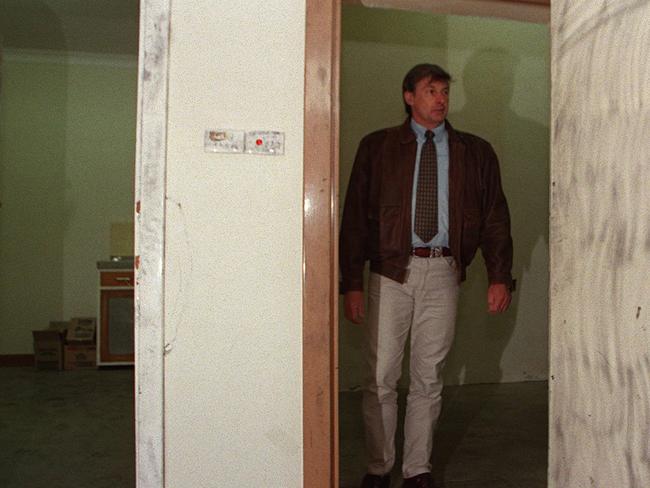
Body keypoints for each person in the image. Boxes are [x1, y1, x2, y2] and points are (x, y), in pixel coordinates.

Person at [339, 63, 514, 488]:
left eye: (444, 91)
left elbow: (495, 217)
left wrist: (499, 275)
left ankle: (418, 469)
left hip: (444, 271)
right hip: (389, 273)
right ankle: (379, 467)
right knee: (380, 377)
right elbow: (355, 220)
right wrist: (352, 283)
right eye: (430, 90)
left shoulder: (475, 152)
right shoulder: (377, 148)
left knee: (428, 377)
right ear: (409, 97)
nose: (440, 99)